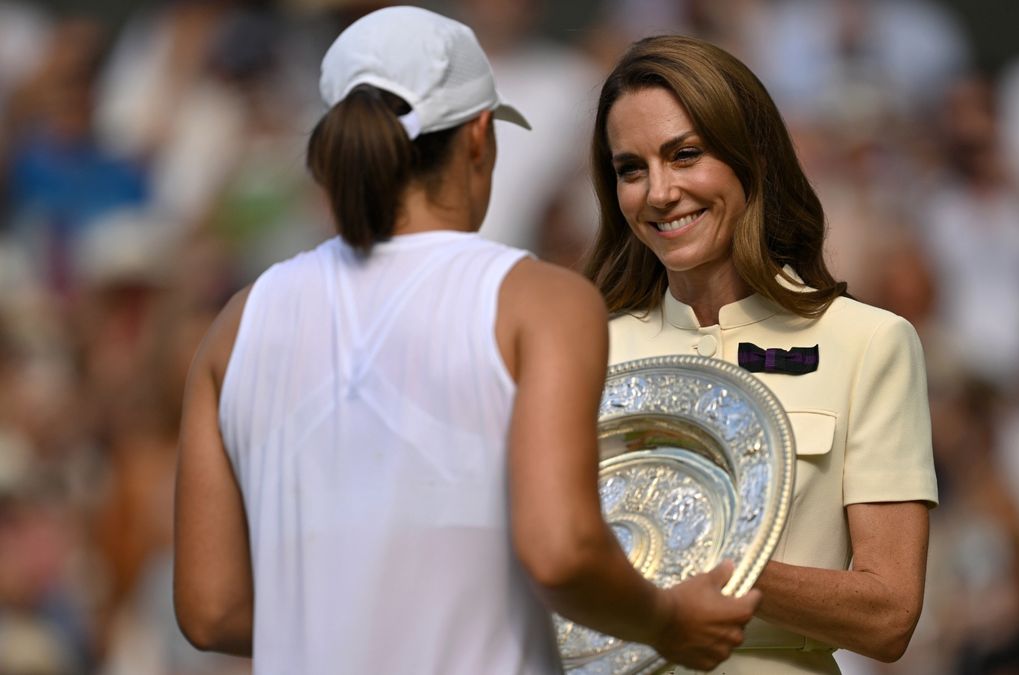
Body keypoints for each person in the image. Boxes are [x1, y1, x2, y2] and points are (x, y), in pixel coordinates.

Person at [172, 8, 759, 674]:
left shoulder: (236, 325)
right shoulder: (543, 303)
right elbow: (561, 550)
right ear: (480, 137)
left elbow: (209, 608)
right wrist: (670, 620)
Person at [583, 35, 939, 674]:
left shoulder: (868, 343)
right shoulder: (581, 348)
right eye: (631, 168)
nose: (659, 192)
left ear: (752, 160)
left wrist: (708, 565)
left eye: (685, 155)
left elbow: (888, 615)